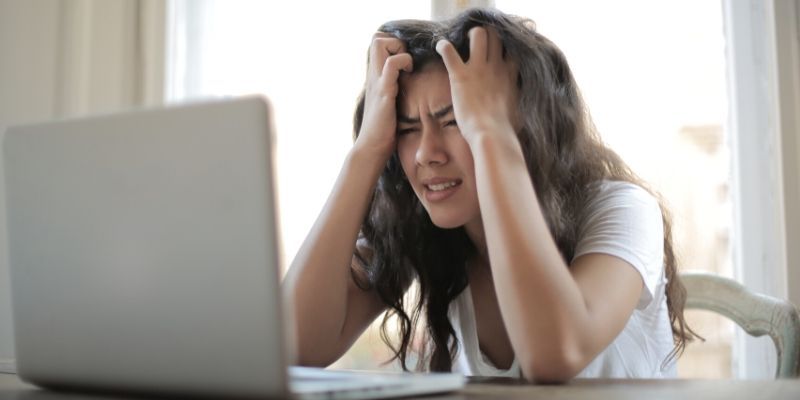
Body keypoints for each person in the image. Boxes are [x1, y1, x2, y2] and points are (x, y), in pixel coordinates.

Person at [283, 7, 697, 382]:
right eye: (407, 129)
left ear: (525, 125)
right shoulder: (425, 232)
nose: (427, 153)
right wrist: (366, 150)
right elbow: (294, 346)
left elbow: (555, 354)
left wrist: (491, 134)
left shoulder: (622, 208)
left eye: (456, 121)